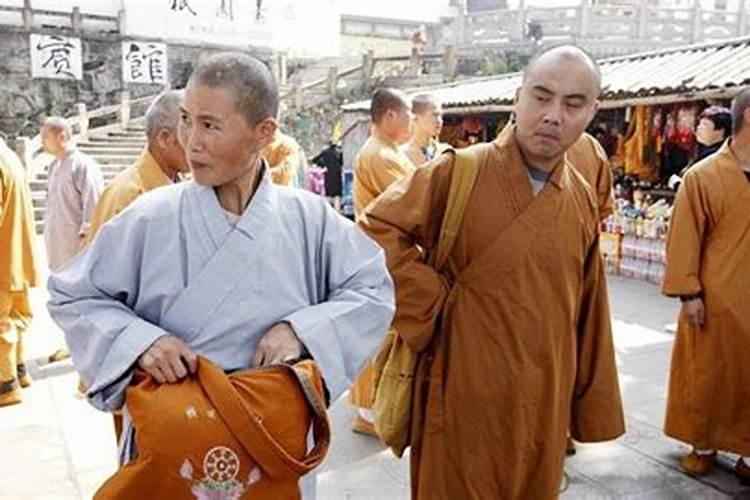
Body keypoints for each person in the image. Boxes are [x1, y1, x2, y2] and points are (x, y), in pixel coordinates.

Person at [47, 52, 395, 497]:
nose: (191, 142)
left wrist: (303, 330)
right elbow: (72, 296)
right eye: (187, 121)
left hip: (270, 438)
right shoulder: (149, 218)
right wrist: (139, 342)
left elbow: (373, 290)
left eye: (210, 125)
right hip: (176, 437)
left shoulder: (310, 220)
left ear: (263, 133)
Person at [358, 45, 625, 499]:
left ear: (592, 113)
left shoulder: (579, 196)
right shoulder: (460, 170)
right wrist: (437, 308)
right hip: (462, 380)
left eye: (573, 104)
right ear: (518, 98)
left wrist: (586, 401)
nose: (553, 115)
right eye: (541, 97)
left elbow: (589, 306)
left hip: (544, 391)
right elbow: (374, 231)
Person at [661, 89, 750, 485]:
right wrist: (689, 292)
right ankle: (703, 444)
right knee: (708, 371)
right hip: (718, 294)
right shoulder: (704, 176)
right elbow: (684, 238)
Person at [350, 87, 414, 436]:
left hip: (384, 254)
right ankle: (369, 411)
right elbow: (414, 199)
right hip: (383, 255)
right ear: (389, 115)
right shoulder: (379, 155)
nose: (412, 121)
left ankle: (370, 408)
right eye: (407, 114)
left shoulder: (387, 151)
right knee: (380, 336)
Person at [85, 90, 189, 243]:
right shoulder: (126, 195)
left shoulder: (181, 186)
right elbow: (107, 263)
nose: (201, 145)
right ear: (164, 139)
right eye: (191, 134)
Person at [41, 116, 103, 363]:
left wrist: (87, 236)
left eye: (46, 137)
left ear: (62, 137)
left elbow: (94, 205)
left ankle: (89, 346)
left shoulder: (83, 165)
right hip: (58, 245)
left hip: (77, 248)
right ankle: (71, 342)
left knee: (81, 299)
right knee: (64, 299)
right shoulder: (55, 166)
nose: (43, 142)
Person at [0, 136, 40, 407]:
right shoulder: (9, 156)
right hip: (17, 254)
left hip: (3, 259)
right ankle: (20, 369)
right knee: (16, 315)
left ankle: (5, 384)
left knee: (1, 322)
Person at [403, 93, 448, 166]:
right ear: (415, 118)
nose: (439, 121)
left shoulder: (445, 152)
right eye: (435, 115)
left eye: (441, 116)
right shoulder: (403, 156)